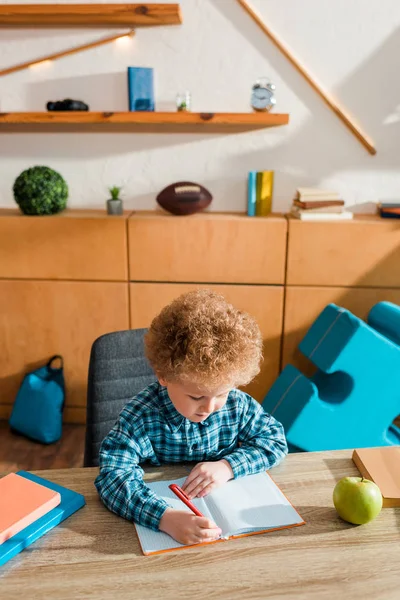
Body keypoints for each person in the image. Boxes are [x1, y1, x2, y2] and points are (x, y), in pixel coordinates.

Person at [95, 289, 288, 545]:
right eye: (197, 397)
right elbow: (113, 476)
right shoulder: (141, 416)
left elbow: (274, 440)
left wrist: (228, 467)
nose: (210, 407)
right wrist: (165, 518)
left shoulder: (237, 406)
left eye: (221, 393)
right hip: (167, 524)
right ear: (164, 376)